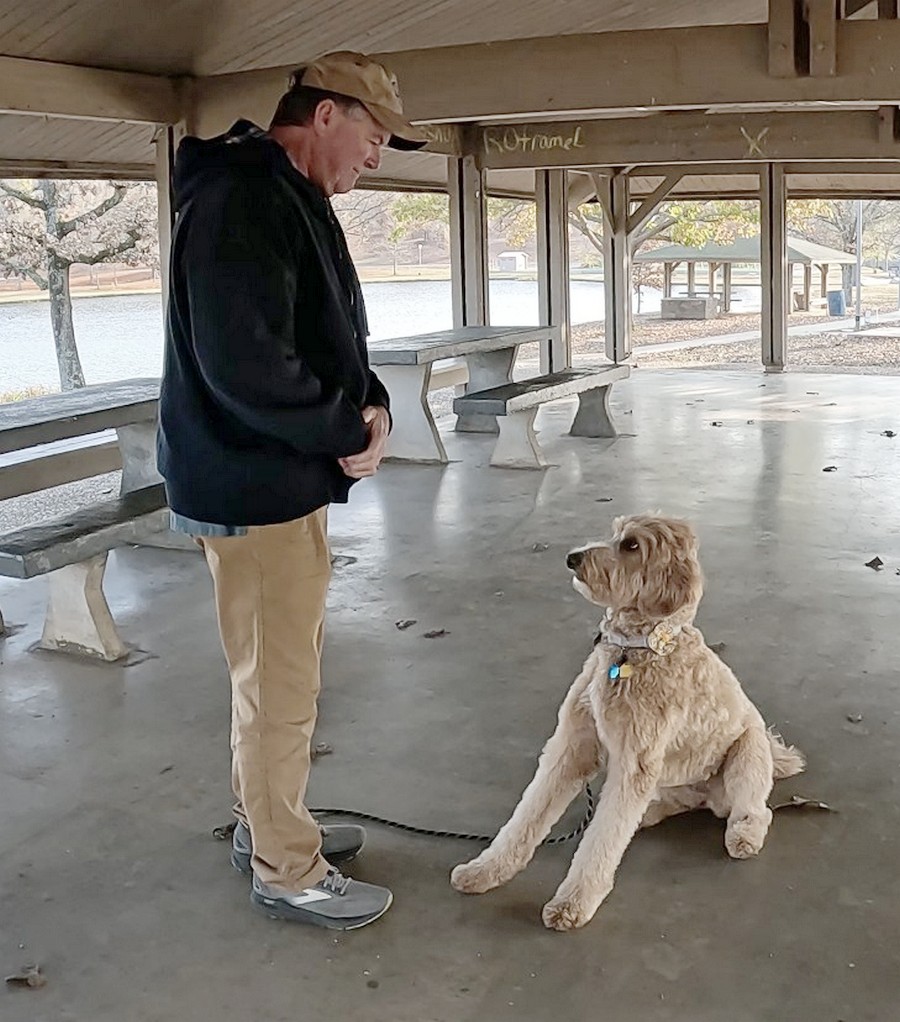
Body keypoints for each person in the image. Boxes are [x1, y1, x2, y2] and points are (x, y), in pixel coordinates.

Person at [157, 51, 426, 931]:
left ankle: (264, 825)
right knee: (281, 687)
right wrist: (350, 433)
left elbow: (331, 329)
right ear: (324, 117)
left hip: (266, 480)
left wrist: (376, 401)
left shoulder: (281, 195)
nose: (376, 157)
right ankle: (288, 868)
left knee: (267, 675)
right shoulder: (243, 201)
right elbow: (248, 367)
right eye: (374, 136)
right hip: (253, 486)